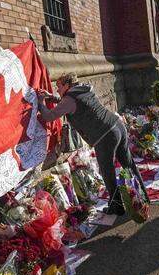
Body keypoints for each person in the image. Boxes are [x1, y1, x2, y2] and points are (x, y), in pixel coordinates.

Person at [36, 73, 149, 215]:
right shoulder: (83, 90)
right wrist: (51, 97)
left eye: (58, 87)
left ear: (67, 85)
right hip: (117, 125)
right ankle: (144, 196)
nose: (57, 90)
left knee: (107, 171)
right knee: (128, 163)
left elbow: (49, 116)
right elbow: (69, 103)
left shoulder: (70, 98)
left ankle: (116, 206)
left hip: (104, 135)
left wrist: (40, 102)